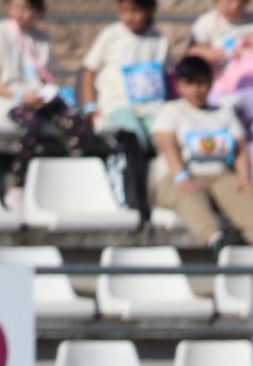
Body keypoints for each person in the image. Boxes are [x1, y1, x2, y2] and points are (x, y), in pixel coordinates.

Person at [152, 56, 253, 247]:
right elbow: (168, 145)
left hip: (219, 175)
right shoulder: (171, 111)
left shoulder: (223, 113)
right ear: (179, 86)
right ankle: (215, 240)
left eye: (201, 83)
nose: (196, 90)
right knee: (190, 198)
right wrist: (181, 176)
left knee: (244, 196)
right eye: (190, 84)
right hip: (180, 177)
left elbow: (240, 148)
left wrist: (245, 179)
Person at [0, 0, 101, 174]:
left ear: (37, 10)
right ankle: (19, 183)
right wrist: (20, 97)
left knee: (75, 122)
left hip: (38, 99)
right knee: (31, 125)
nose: (20, 13)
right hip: (8, 100)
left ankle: (75, 175)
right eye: (15, 7)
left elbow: (47, 77)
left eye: (26, 8)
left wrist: (47, 94)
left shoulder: (41, 38)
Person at [80, 0, 174, 214]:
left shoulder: (159, 39)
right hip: (118, 105)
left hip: (152, 107)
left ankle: (161, 194)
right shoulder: (111, 36)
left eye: (136, 11)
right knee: (134, 137)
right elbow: (88, 71)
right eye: (124, 11)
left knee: (164, 137)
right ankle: (135, 197)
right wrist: (90, 107)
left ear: (149, 10)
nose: (129, 17)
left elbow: (168, 75)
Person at [186, 0, 253, 190]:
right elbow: (193, 54)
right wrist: (228, 52)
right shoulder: (207, 24)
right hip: (223, 90)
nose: (227, 5)